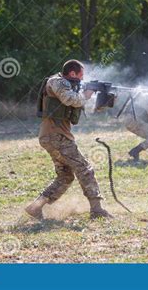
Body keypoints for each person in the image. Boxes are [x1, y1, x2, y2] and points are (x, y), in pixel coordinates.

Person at [25, 59, 112, 220]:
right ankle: (97, 209)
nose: (81, 79)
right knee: (85, 169)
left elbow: (80, 104)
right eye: (80, 76)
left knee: (65, 176)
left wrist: (100, 98)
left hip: (54, 137)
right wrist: (87, 93)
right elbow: (70, 99)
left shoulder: (67, 84)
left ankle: (35, 207)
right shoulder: (57, 82)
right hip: (56, 137)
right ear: (72, 73)